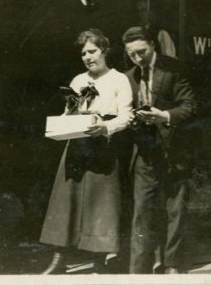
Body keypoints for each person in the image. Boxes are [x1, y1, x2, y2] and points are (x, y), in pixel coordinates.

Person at [40, 29, 133, 274]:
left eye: (92, 51)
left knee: (101, 205)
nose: (87, 57)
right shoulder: (78, 81)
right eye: (83, 53)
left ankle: (99, 262)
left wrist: (105, 127)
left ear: (104, 50)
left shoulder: (118, 79)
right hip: (77, 146)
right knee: (64, 201)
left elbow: (127, 116)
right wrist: (63, 121)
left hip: (103, 146)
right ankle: (59, 259)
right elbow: (68, 112)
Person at [122, 26, 197, 274]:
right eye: (132, 54)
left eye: (141, 52)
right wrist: (130, 120)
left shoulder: (174, 69)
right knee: (142, 212)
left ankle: (172, 265)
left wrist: (164, 115)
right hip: (145, 153)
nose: (138, 58)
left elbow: (190, 106)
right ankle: (138, 271)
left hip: (175, 150)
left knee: (175, 210)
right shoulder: (129, 76)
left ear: (153, 45)